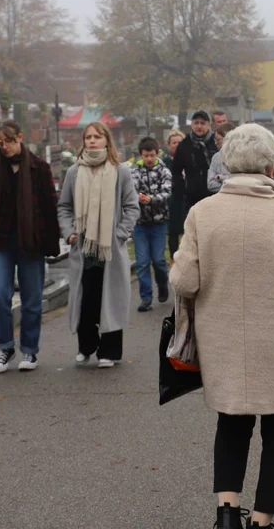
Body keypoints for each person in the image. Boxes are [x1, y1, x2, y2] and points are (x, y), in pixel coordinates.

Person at [170, 123, 274, 529]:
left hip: (222, 340)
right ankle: (261, 520)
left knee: (232, 423)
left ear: (226, 163)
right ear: (271, 165)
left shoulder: (201, 214)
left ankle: (226, 513)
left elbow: (184, 281)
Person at [0, 120, 61, 373]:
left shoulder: (38, 167)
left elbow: (49, 207)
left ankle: (30, 351)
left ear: (20, 137)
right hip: (1, 239)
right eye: (1, 142)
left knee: (31, 300)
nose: (6, 146)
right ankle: (6, 346)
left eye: (10, 140)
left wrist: (52, 244)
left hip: (30, 241)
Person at [58, 121, 140, 368]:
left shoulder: (120, 171)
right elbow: (64, 206)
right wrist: (69, 232)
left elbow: (131, 206)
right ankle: (86, 346)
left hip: (110, 248)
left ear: (107, 140)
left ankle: (110, 352)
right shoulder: (74, 172)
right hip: (83, 249)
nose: (92, 141)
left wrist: (119, 234)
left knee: (111, 300)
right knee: (86, 299)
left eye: (97, 136)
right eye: (88, 137)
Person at [131, 137, 172, 312]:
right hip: (140, 223)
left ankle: (162, 283)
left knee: (158, 260)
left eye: (152, 155)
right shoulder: (134, 171)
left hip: (159, 221)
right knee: (141, 262)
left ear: (157, 154)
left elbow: (167, 192)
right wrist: (138, 198)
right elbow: (130, 190)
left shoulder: (164, 171)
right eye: (146, 155)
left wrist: (152, 199)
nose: (149, 158)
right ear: (141, 155)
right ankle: (146, 297)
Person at [173, 110, 218, 211]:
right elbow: (176, 171)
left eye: (202, 123)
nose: (199, 126)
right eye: (196, 123)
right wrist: (183, 188)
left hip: (214, 194)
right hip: (191, 197)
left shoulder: (215, 143)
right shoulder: (184, 145)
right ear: (192, 125)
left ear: (208, 125)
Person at [163, 130, 186, 257]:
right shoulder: (165, 162)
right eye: (174, 143)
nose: (177, 145)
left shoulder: (190, 159)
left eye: (180, 142)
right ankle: (173, 259)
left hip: (187, 199)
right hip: (172, 201)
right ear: (168, 145)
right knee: (173, 232)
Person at [207, 123, 235, 193]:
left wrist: (220, 177)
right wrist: (231, 186)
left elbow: (240, 180)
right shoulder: (216, 157)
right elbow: (210, 185)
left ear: (228, 139)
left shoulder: (243, 156)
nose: (216, 143)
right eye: (215, 140)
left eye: (218, 140)